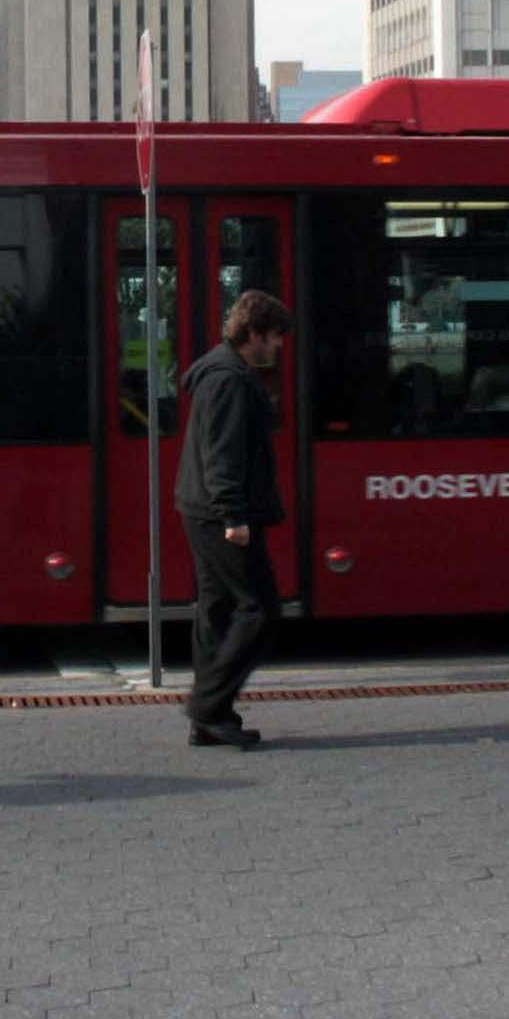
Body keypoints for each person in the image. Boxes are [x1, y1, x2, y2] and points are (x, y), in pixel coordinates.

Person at [176, 289, 292, 749]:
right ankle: (207, 704)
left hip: (204, 509)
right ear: (255, 333)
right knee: (259, 609)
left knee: (218, 611)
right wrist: (232, 514)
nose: (280, 346)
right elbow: (220, 452)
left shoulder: (222, 372)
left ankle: (211, 719)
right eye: (276, 337)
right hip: (219, 513)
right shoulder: (227, 379)